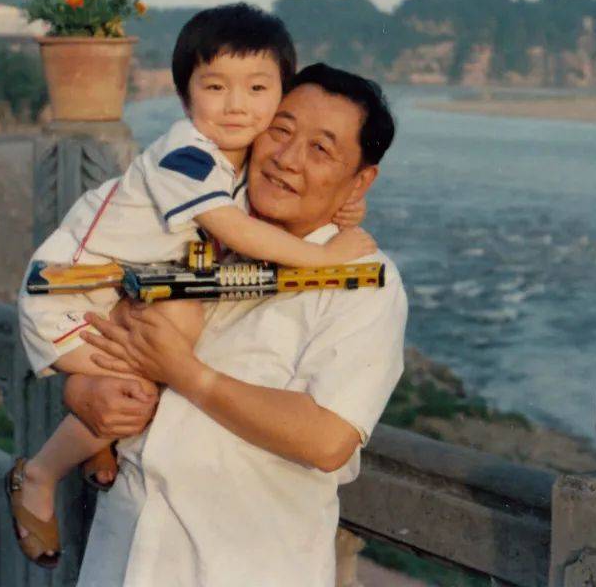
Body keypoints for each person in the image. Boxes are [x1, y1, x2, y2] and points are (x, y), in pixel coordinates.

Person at [8, 6, 375, 568]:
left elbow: (281, 205)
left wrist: (348, 204)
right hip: (69, 296)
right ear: (185, 98)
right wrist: (325, 256)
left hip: (114, 293)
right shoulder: (186, 157)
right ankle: (39, 473)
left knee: (162, 345)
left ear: (280, 94)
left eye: (257, 89)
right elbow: (237, 230)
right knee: (142, 380)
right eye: (215, 87)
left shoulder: (241, 163)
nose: (237, 105)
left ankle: (95, 445)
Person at [70, 64, 407, 586]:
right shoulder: (186, 234)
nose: (287, 158)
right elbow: (96, 335)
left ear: (360, 180)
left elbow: (328, 439)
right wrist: (84, 394)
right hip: (123, 557)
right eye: (280, 130)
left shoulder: (365, 283)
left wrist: (186, 373)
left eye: (320, 149)